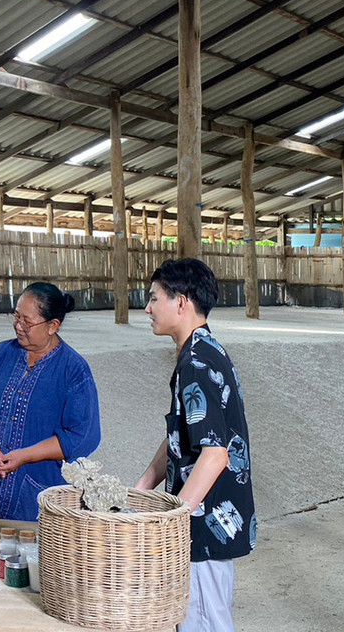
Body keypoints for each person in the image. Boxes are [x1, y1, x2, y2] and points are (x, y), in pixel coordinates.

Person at [135, 258, 256, 632]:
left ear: (181, 302)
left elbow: (215, 455)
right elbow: (185, 433)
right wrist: (143, 485)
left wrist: (172, 519)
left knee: (204, 623)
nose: (148, 308)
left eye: (154, 298)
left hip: (203, 527)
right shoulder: (205, 350)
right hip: (207, 521)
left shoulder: (196, 363)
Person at [0, 282, 101, 521]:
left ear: (52, 326)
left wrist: (25, 455)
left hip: (42, 494)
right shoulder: (1, 354)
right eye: (16, 317)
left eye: (27, 321)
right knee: (0, 541)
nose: (18, 326)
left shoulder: (74, 369)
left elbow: (83, 436)